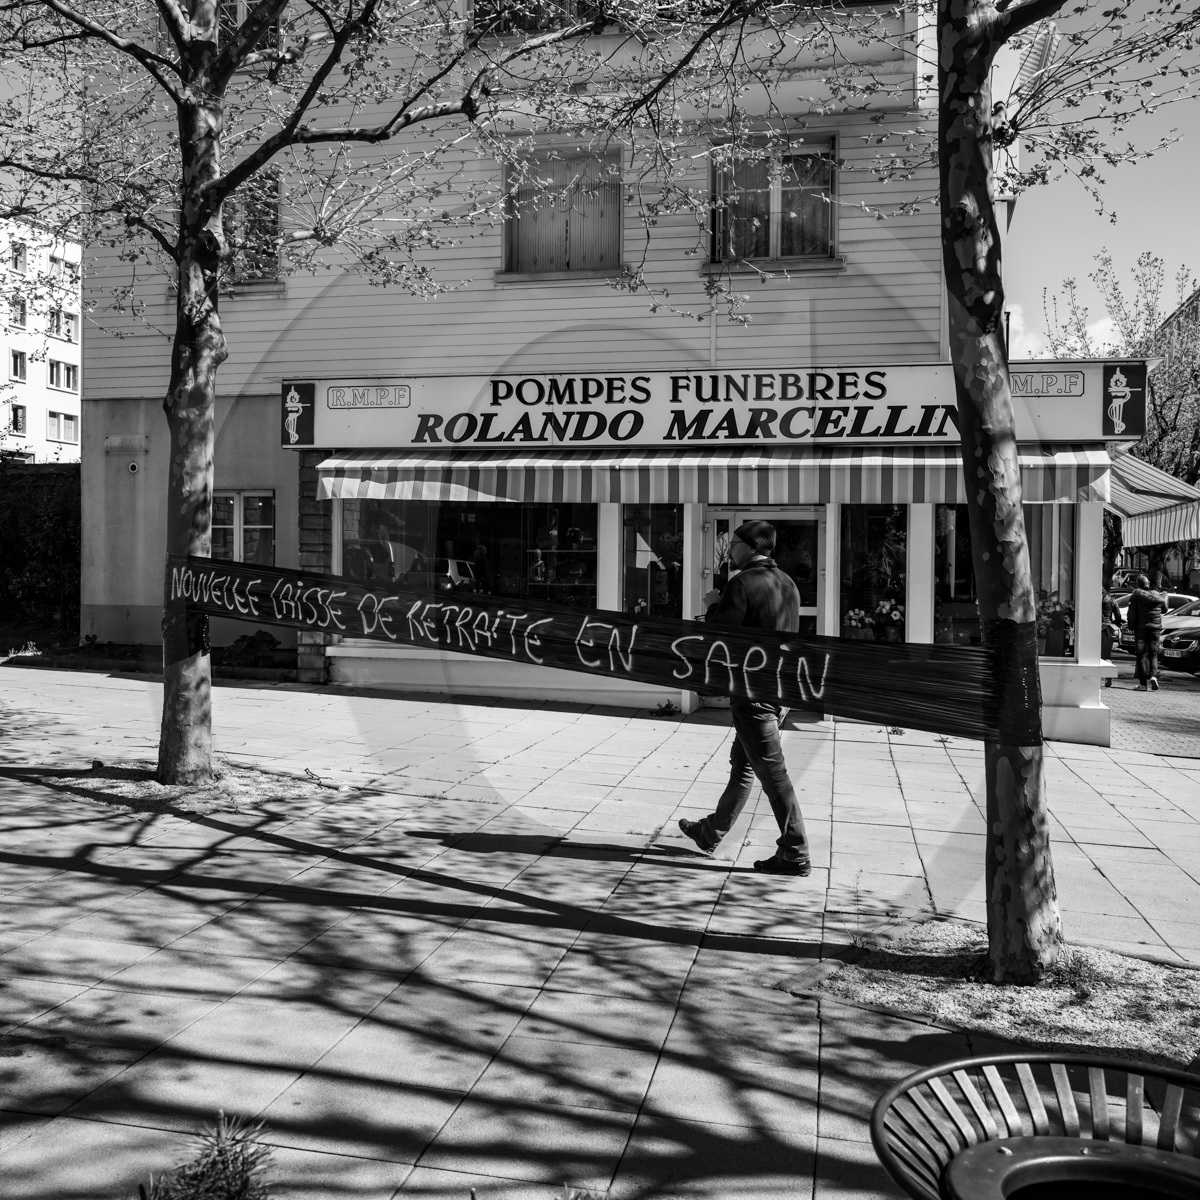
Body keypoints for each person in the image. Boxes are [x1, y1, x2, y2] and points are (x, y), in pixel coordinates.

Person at [678, 520, 811, 877]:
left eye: (733, 543)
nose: (729, 550)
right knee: (744, 765)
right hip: (778, 689)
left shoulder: (742, 584)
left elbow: (718, 638)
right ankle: (709, 833)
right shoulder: (787, 584)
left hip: (752, 694)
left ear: (751, 547)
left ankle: (795, 851)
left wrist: (712, 605)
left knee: (773, 773)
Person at [1126, 573, 1167, 691]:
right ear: (1148, 584)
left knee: (1141, 656)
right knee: (1153, 654)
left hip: (1141, 629)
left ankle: (1143, 684)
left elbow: (1132, 613)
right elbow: (1164, 609)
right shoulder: (1157, 595)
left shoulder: (1136, 596)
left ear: (1138, 585)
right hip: (1155, 629)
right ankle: (1154, 676)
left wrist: (1131, 626)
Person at [1100, 588, 1123, 688]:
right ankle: (1108, 675)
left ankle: (1094, 678)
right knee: (1106, 656)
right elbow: (1118, 617)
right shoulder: (1112, 601)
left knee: (1093, 657)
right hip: (1108, 630)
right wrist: (1114, 624)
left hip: (1094, 630)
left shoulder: (1093, 600)